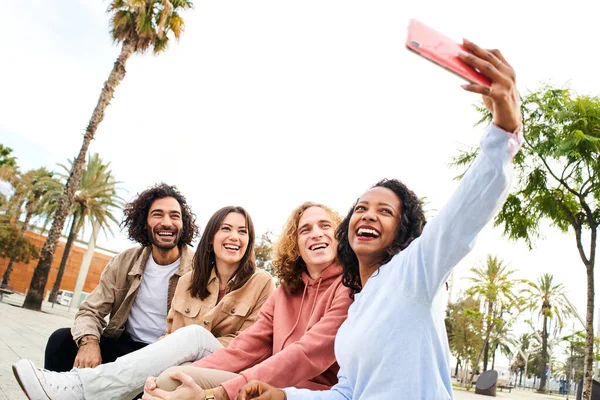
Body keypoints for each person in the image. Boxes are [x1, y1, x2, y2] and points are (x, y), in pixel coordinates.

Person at [237, 40, 523, 399]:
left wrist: (504, 133)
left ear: (403, 230)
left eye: (384, 211)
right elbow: (348, 392)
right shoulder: (356, 313)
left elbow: (464, 214)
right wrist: (285, 395)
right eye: (360, 208)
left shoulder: (414, 272)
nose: (368, 214)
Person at [12, 206, 275, 400]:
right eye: (226, 229)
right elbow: (170, 335)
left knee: (194, 336)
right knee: (173, 368)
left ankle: (79, 387)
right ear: (210, 239)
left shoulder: (262, 283)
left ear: (249, 240)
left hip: (228, 361)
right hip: (185, 360)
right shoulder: (190, 281)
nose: (234, 237)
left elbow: (249, 345)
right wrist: (151, 368)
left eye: (243, 231)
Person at [141, 202, 353, 400]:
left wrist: (220, 393)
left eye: (325, 226)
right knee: (171, 380)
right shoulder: (284, 293)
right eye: (305, 230)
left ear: (340, 236)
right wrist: (177, 375)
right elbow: (243, 349)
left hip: (308, 393)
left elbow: (307, 354)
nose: (316, 234)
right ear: (295, 245)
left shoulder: (349, 288)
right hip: (264, 383)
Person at [44, 183, 199, 372]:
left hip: (167, 357)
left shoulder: (199, 269)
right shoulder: (124, 261)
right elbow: (90, 311)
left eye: (175, 216)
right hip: (125, 348)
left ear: (183, 224)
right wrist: (89, 342)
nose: (167, 222)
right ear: (144, 223)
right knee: (60, 341)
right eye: (157, 214)